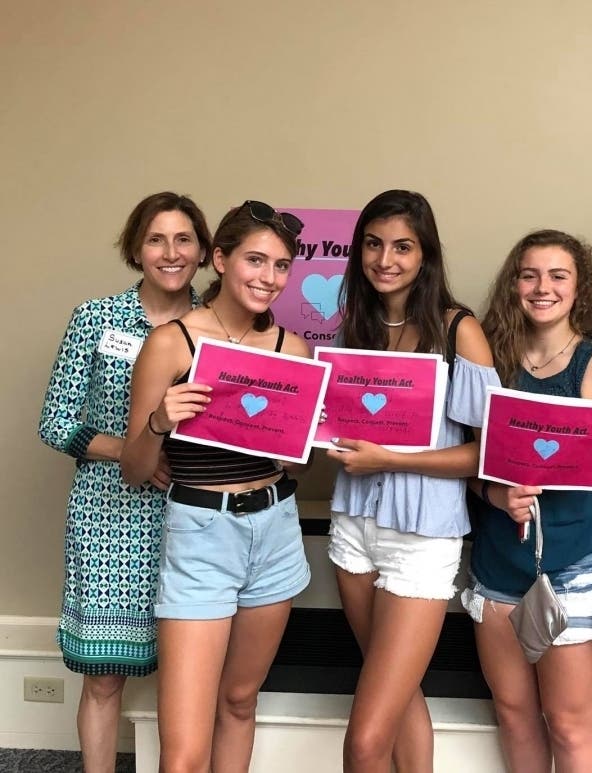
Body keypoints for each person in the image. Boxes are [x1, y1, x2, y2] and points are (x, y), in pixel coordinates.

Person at [120, 200, 311, 772]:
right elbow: (134, 470)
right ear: (221, 259)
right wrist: (160, 420)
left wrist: (309, 439)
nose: (268, 278)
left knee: (239, 700)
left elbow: (296, 467)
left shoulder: (292, 350)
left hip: (275, 531)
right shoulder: (171, 343)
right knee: (181, 753)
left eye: (280, 266)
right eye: (255, 260)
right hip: (201, 534)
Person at [38, 192, 211, 773]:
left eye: (183, 239)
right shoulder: (96, 318)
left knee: (192, 681)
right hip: (109, 516)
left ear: (204, 249)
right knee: (105, 677)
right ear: (136, 248)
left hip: (195, 514)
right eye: (156, 238)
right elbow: (55, 421)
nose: (170, 252)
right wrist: (132, 451)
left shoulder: (218, 327)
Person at [325, 189, 497, 773]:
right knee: (398, 698)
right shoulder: (357, 327)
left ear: (426, 255)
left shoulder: (459, 330)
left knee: (364, 741)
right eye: (373, 244)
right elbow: (348, 431)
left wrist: (388, 460)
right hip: (352, 530)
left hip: (421, 542)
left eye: (402, 246)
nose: (385, 259)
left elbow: (489, 453)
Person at [462, 229, 592, 773]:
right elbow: (468, 464)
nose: (542, 287)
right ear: (514, 283)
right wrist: (496, 494)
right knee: (514, 714)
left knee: (568, 723)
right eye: (529, 274)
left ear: (578, 288)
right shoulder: (488, 363)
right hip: (496, 569)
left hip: (576, 571)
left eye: (558, 275)